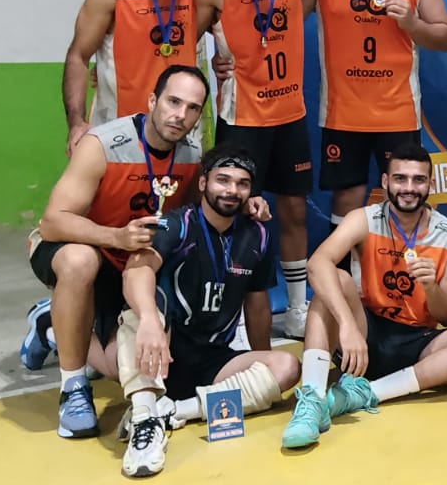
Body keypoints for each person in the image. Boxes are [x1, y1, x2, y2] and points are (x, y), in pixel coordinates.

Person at [19, 66, 269, 439]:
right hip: (85, 247)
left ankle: (52, 325)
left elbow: (198, 212)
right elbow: (53, 221)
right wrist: (115, 237)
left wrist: (246, 203)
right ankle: (73, 388)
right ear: (152, 101)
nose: (180, 115)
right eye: (173, 102)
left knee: (120, 365)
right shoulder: (102, 144)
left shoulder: (191, 154)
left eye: (192, 108)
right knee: (79, 261)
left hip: (134, 259)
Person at [279, 142, 447, 448]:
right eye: (400, 178)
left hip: (418, 341)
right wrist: (347, 326)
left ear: (430, 184)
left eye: (418, 180)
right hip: (366, 333)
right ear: (385, 182)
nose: (408, 188)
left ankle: (367, 394)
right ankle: (312, 401)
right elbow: (317, 263)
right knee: (335, 279)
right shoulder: (364, 219)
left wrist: (431, 288)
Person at [113, 145, 301, 477]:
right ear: (203, 183)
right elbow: (136, 271)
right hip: (163, 349)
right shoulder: (176, 224)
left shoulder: (257, 234)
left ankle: (174, 412)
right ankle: (144, 421)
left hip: (214, 359)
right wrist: (150, 320)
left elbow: (257, 305)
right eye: (222, 180)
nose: (232, 190)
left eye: (242, 184)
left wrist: (263, 365)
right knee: (140, 313)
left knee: (286, 367)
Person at [302, 0, 447, 267]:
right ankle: (341, 284)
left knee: (403, 198)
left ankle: (392, 285)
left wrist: (413, 24)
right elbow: (285, 27)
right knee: (347, 197)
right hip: (342, 112)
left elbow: (445, 37)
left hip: (397, 112)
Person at [196, 0, 314, 338]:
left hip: (290, 114)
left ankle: (298, 307)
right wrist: (213, 61)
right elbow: (189, 38)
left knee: (294, 211)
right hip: (242, 118)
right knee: (239, 213)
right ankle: (239, 315)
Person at [61, 0, 216, 158]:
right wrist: (76, 123)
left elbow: (229, 34)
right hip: (117, 133)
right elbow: (78, 56)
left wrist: (224, 62)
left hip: (178, 136)